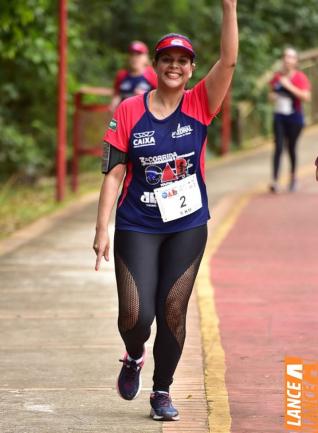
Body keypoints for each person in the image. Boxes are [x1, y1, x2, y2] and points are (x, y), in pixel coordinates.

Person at [93, 0, 238, 422]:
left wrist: (229, 8)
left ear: (191, 69)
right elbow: (113, 174)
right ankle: (134, 354)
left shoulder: (199, 104)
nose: (175, 66)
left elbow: (228, 61)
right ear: (156, 64)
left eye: (183, 60)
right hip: (138, 224)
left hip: (187, 225)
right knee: (136, 317)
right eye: (168, 59)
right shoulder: (129, 110)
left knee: (173, 309)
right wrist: (101, 229)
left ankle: (161, 391)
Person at [269, 47, 311, 193]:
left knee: (291, 147)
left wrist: (289, 86)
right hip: (279, 117)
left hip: (295, 118)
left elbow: (306, 97)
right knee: (278, 147)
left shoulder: (300, 77)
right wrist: (273, 96)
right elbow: (271, 95)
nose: (287, 59)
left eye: (291, 57)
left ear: (296, 61)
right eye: (286, 56)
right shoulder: (277, 76)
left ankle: (293, 179)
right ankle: (275, 181)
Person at [110, 40, 158, 111]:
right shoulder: (121, 75)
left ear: (146, 57)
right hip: (123, 116)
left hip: (145, 117)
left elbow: (161, 99)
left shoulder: (153, 75)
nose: (134, 58)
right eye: (132, 54)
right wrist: (112, 108)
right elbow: (116, 95)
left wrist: (145, 97)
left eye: (138, 54)